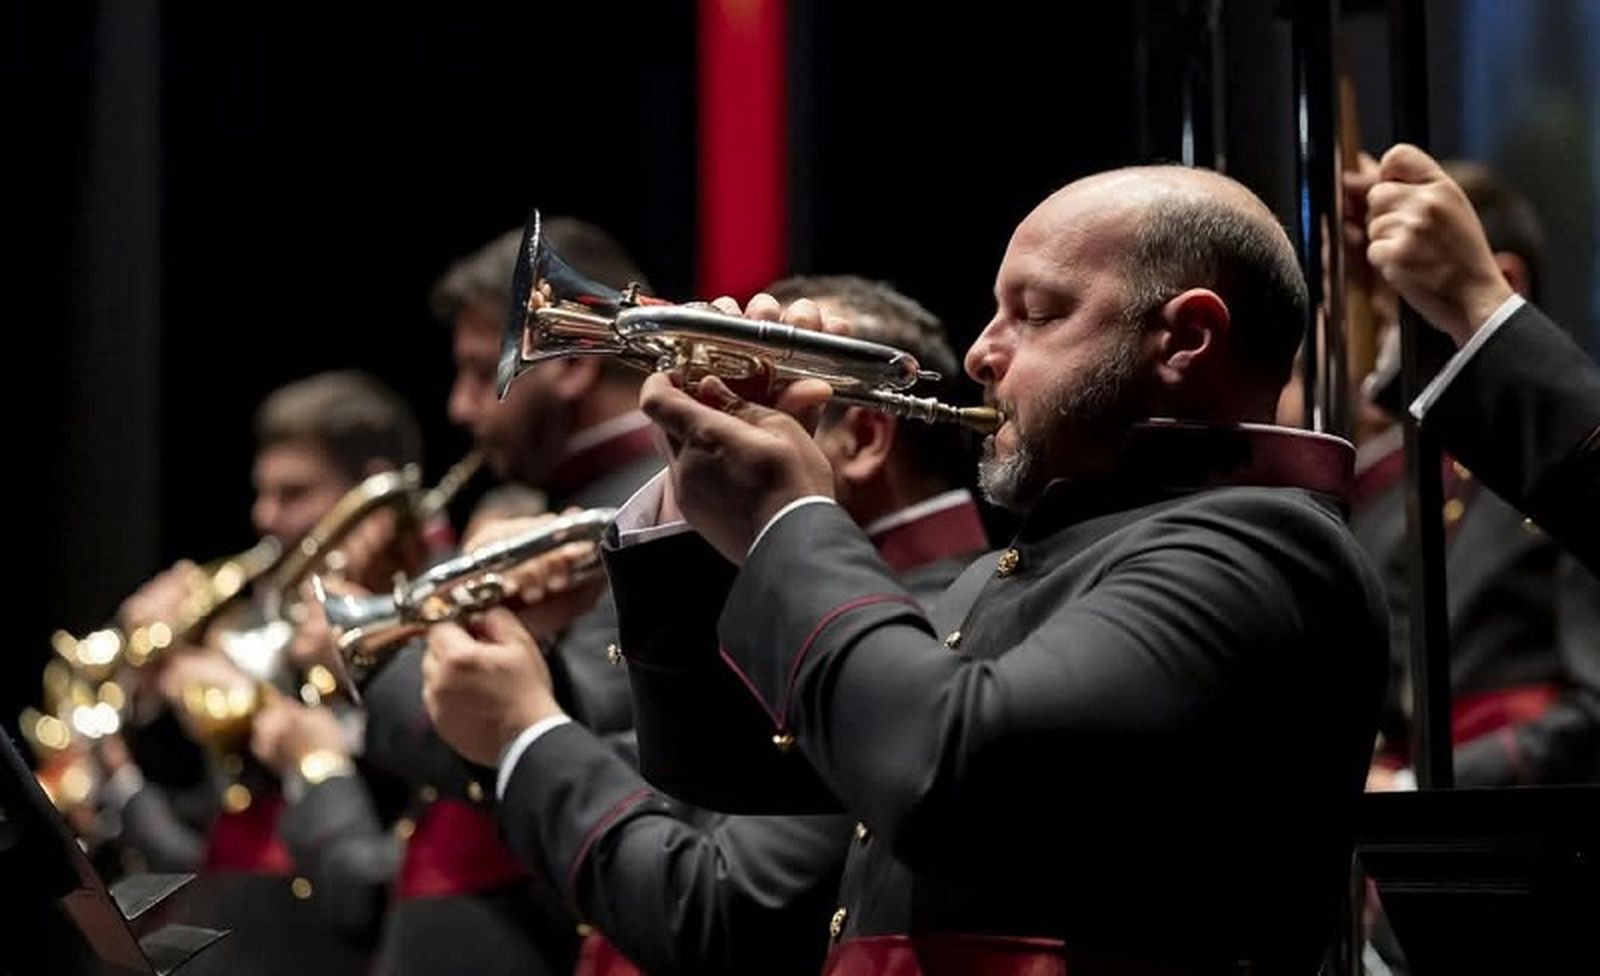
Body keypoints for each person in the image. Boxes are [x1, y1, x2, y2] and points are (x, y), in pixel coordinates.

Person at [442, 166, 1390, 972]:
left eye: (1036, 312)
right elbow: (726, 762)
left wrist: (791, 516)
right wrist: (696, 504)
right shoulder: (1047, 554)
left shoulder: (1261, 548)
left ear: (1185, 338)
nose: (981, 352)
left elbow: (949, 771)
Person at [422, 276, 988, 975]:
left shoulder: (934, 622)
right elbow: (669, 787)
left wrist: (524, 732)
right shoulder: (805, 599)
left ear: (865, 438)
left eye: (766, 398)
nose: (714, 420)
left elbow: (717, 909)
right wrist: (531, 671)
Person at [294, 219, 663, 976]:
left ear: (567, 365)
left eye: (478, 371)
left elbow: (530, 737)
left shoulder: (648, 509)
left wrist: (378, 642)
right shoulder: (561, 499)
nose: (461, 408)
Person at [111, 369, 426, 975]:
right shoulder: (260, 617)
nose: (264, 515)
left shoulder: (418, 601)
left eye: (294, 493)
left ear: (371, 487)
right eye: (263, 492)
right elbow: (208, 800)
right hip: (240, 931)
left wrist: (254, 702)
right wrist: (153, 684)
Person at [1340, 154, 1600, 787]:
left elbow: (1592, 711)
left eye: (1388, 311)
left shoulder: (1550, 479)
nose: (1376, 344)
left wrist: (1408, 791)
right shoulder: (1389, 487)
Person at [1347, 144, 1598, 572]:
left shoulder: (1529, 501)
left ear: (1506, 281)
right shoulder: (1405, 482)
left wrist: (1480, 301)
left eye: (1393, 316)